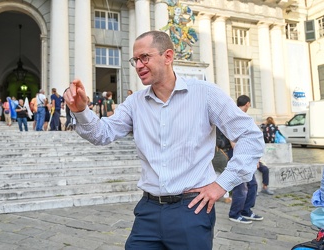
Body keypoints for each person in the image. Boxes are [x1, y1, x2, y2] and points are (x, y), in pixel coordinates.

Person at [63, 30, 264, 249]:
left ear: (168, 57)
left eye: (144, 58)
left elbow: (250, 136)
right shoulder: (134, 103)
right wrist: (81, 110)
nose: (138, 65)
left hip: (192, 210)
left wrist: (221, 185)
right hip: (148, 210)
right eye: (135, 60)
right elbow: (102, 134)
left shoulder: (205, 94)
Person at [228, 95, 264, 224]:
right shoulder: (234, 115)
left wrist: (255, 158)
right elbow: (232, 139)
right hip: (237, 154)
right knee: (240, 186)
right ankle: (234, 213)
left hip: (247, 155)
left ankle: (246, 210)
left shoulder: (246, 118)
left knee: (252, 184)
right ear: (248, 104)